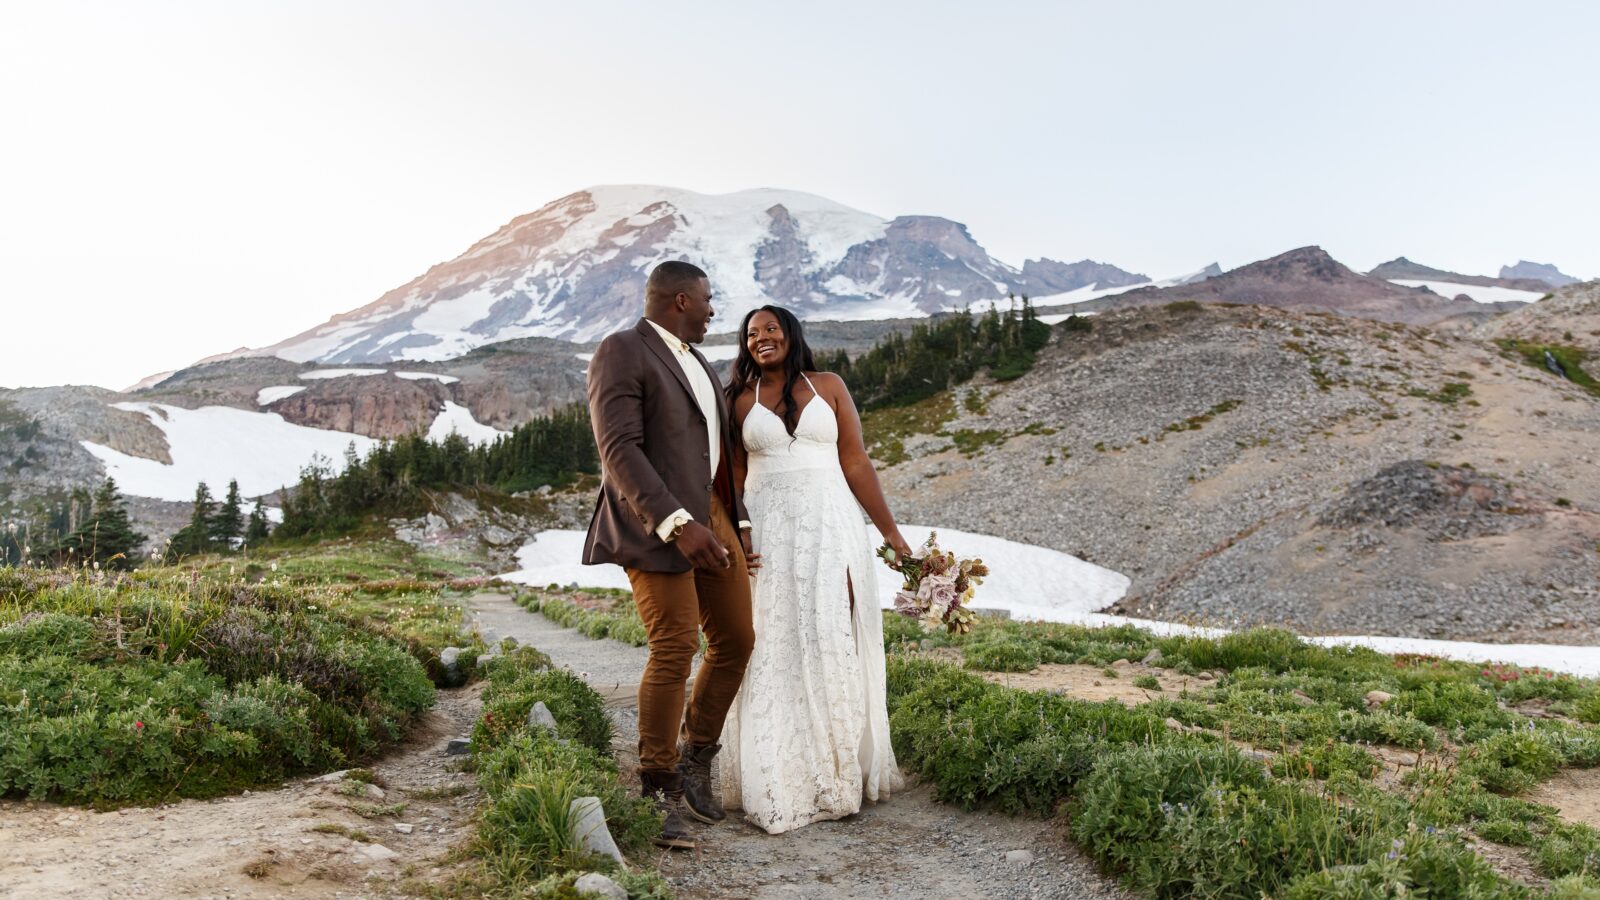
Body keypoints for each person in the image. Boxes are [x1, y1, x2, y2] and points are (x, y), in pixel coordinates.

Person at [582, 260, 757, 850]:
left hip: (714, 518)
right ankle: (657, 787)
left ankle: (695, 758)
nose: (714, 311)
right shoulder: (622, 349)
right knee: (676, 645)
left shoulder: (702, 362)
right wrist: (677, 524)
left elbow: (717, 451)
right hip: (653, 523)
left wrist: (737, 522)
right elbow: (619, 450)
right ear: (681, 300)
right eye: (708, 300)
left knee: (736, 639)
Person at [717, 304, 909, 834]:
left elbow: (856, 463)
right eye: (752, 333)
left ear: (790, 333)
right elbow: (732, 475)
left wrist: (892, 536)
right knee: (777, 641)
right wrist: (741, 529)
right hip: (771, 531)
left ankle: (839, 768)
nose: (762, 339)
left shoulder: (828, 385)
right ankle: (779, 772)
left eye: (771, 329)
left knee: (830, 635)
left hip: (832, 523)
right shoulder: (736, 400)